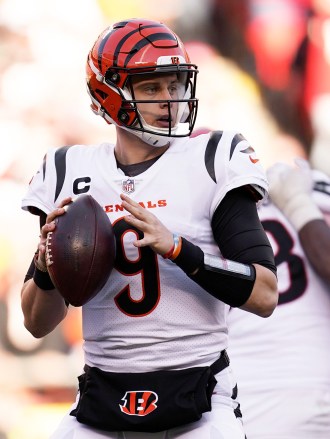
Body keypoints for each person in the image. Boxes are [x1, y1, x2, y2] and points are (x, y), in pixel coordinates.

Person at [20, 18, 278, 439]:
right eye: (152, 87)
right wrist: (46, 261)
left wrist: (179, 249)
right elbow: (35, 322)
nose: (168, 100)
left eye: (175, 85)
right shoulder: (67, 170)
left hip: (199, 396)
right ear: (110, 93)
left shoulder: (213, 158)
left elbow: (265, 294)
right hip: (101, 397)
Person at [228, 158, 330, 438]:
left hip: (248, 407)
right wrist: (299, 204)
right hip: (314, 383)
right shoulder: (308, 186)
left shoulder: (199, 213)